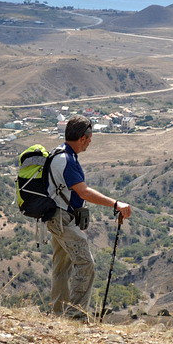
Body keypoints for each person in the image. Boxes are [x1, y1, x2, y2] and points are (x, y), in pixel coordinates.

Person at [46, 115, 131, 319]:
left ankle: (60, 313)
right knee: (85, 264)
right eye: (90, 139)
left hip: (55, 218)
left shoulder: (59, 154)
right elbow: (84, 192)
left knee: (61, 267)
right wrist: (115, 203)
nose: (90, 142)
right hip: (63, 220)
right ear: (83, 138)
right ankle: (76, 316)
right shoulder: (67, 160)